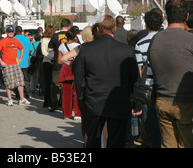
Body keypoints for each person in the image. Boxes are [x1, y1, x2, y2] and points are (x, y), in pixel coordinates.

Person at [147, 0, 193, 148]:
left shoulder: (156, 39)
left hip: (163, 102)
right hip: (192, 104)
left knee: (168, 144)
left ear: (167, 16)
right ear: (187, 16)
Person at [73, 15, 141, 148]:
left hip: (94, 102)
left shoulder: (86, 49)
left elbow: (79, 78)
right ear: (114, 29)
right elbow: (135, 80)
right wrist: (136, 103)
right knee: (116, 141)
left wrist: (82, 99)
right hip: (119, 102)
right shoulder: (127, 50)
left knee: (92, 140)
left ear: (97, 29)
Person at [134, 9, 163, 148]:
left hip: (148, 88)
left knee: (150, 125)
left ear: (146, 25)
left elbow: (140, 70)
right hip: (166, 87)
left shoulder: (140, 44)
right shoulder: (167, 41)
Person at [0, 26, 30, 106]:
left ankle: (22, 99)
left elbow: (22, 49)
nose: (11, 33)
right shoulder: (3, 41)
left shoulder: (16, 40)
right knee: (9, 83)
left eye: (12, 32)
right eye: (9, 32)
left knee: (20, 82)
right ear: (6, 33)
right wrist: (1, 61)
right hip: (7, 65)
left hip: (16, 64)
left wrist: (20, 59)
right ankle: (10, 99)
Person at [48, 19, 72, 112]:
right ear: (69, 26)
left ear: (61, 25)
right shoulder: (72, 35)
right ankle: (69, 106)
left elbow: (50, 49)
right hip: (69, 64)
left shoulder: (55, 36)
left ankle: (54, 105)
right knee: (69, 86)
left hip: (57, 64)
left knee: (55, 85)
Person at [57, 29, 81, 121]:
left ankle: (67, 114)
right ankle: (77, 114)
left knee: (66, 93)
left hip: (65, 68)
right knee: (77, 92)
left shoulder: (61, 46)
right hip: (75, 67)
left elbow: (59, 61)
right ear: (75, 37)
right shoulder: (78, 46)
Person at [14, 26, 34, 98]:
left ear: (15, 31)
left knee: (17, 79)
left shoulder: (13, 39)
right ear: (21, 31)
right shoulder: (26, 39)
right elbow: (30, 50)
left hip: (15, 62)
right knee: (26, 79)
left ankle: (17, 94)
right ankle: (27, 93)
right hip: (25, 62)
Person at [40, 25, 55, 108]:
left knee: (50, 83)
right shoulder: (45, 40)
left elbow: (44, 52)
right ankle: (47, 101)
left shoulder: (47, 39)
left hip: (49, 61)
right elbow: (44, 52)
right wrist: (52, 58)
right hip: (48, 62)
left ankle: (50, 101)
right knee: (48, 83)